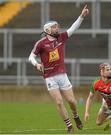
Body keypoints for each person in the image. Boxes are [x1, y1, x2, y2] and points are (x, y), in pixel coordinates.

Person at [28, 5, 89, 133]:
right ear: (47, 30)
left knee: (72, 101)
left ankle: (76, 116)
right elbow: (31, 57)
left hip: (62, 75)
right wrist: (37, 64)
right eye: (54, 26)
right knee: (59, 102)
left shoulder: (61, 37)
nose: (57, 28)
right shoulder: (40, 43)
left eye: (57, 26)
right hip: (49, 76)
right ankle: (69, 126)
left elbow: (73, 28)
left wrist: (81, 16)